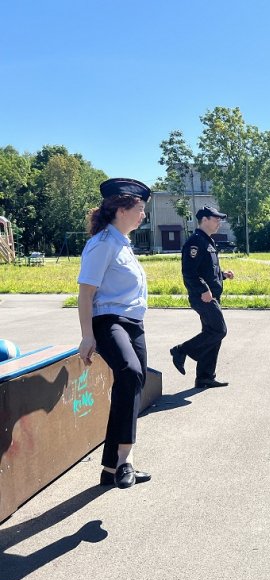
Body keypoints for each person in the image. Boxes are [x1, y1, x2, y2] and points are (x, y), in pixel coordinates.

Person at [77, 178, 152, 489]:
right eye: (140, 209)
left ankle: (110, 469)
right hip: (109, 320)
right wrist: (86, 336)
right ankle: (125, 460)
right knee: (130, 373)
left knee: (136, 380)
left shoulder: (122, 242)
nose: (144, 215)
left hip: (133, 323)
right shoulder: (103, 244)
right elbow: (85, 293)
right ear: (123, 209)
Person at [170, 205, 234, 388]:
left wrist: (223, 275)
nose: (219, 223)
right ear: (204, 220)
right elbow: (189, 272)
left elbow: (207, 271)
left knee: (212, 334)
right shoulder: (196, 242)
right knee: (219, 330)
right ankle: (181, 350)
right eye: (216, 219)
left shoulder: (208, 241)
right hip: (203, 297)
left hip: (211, 295)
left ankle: (205, 376)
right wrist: (202, 290)